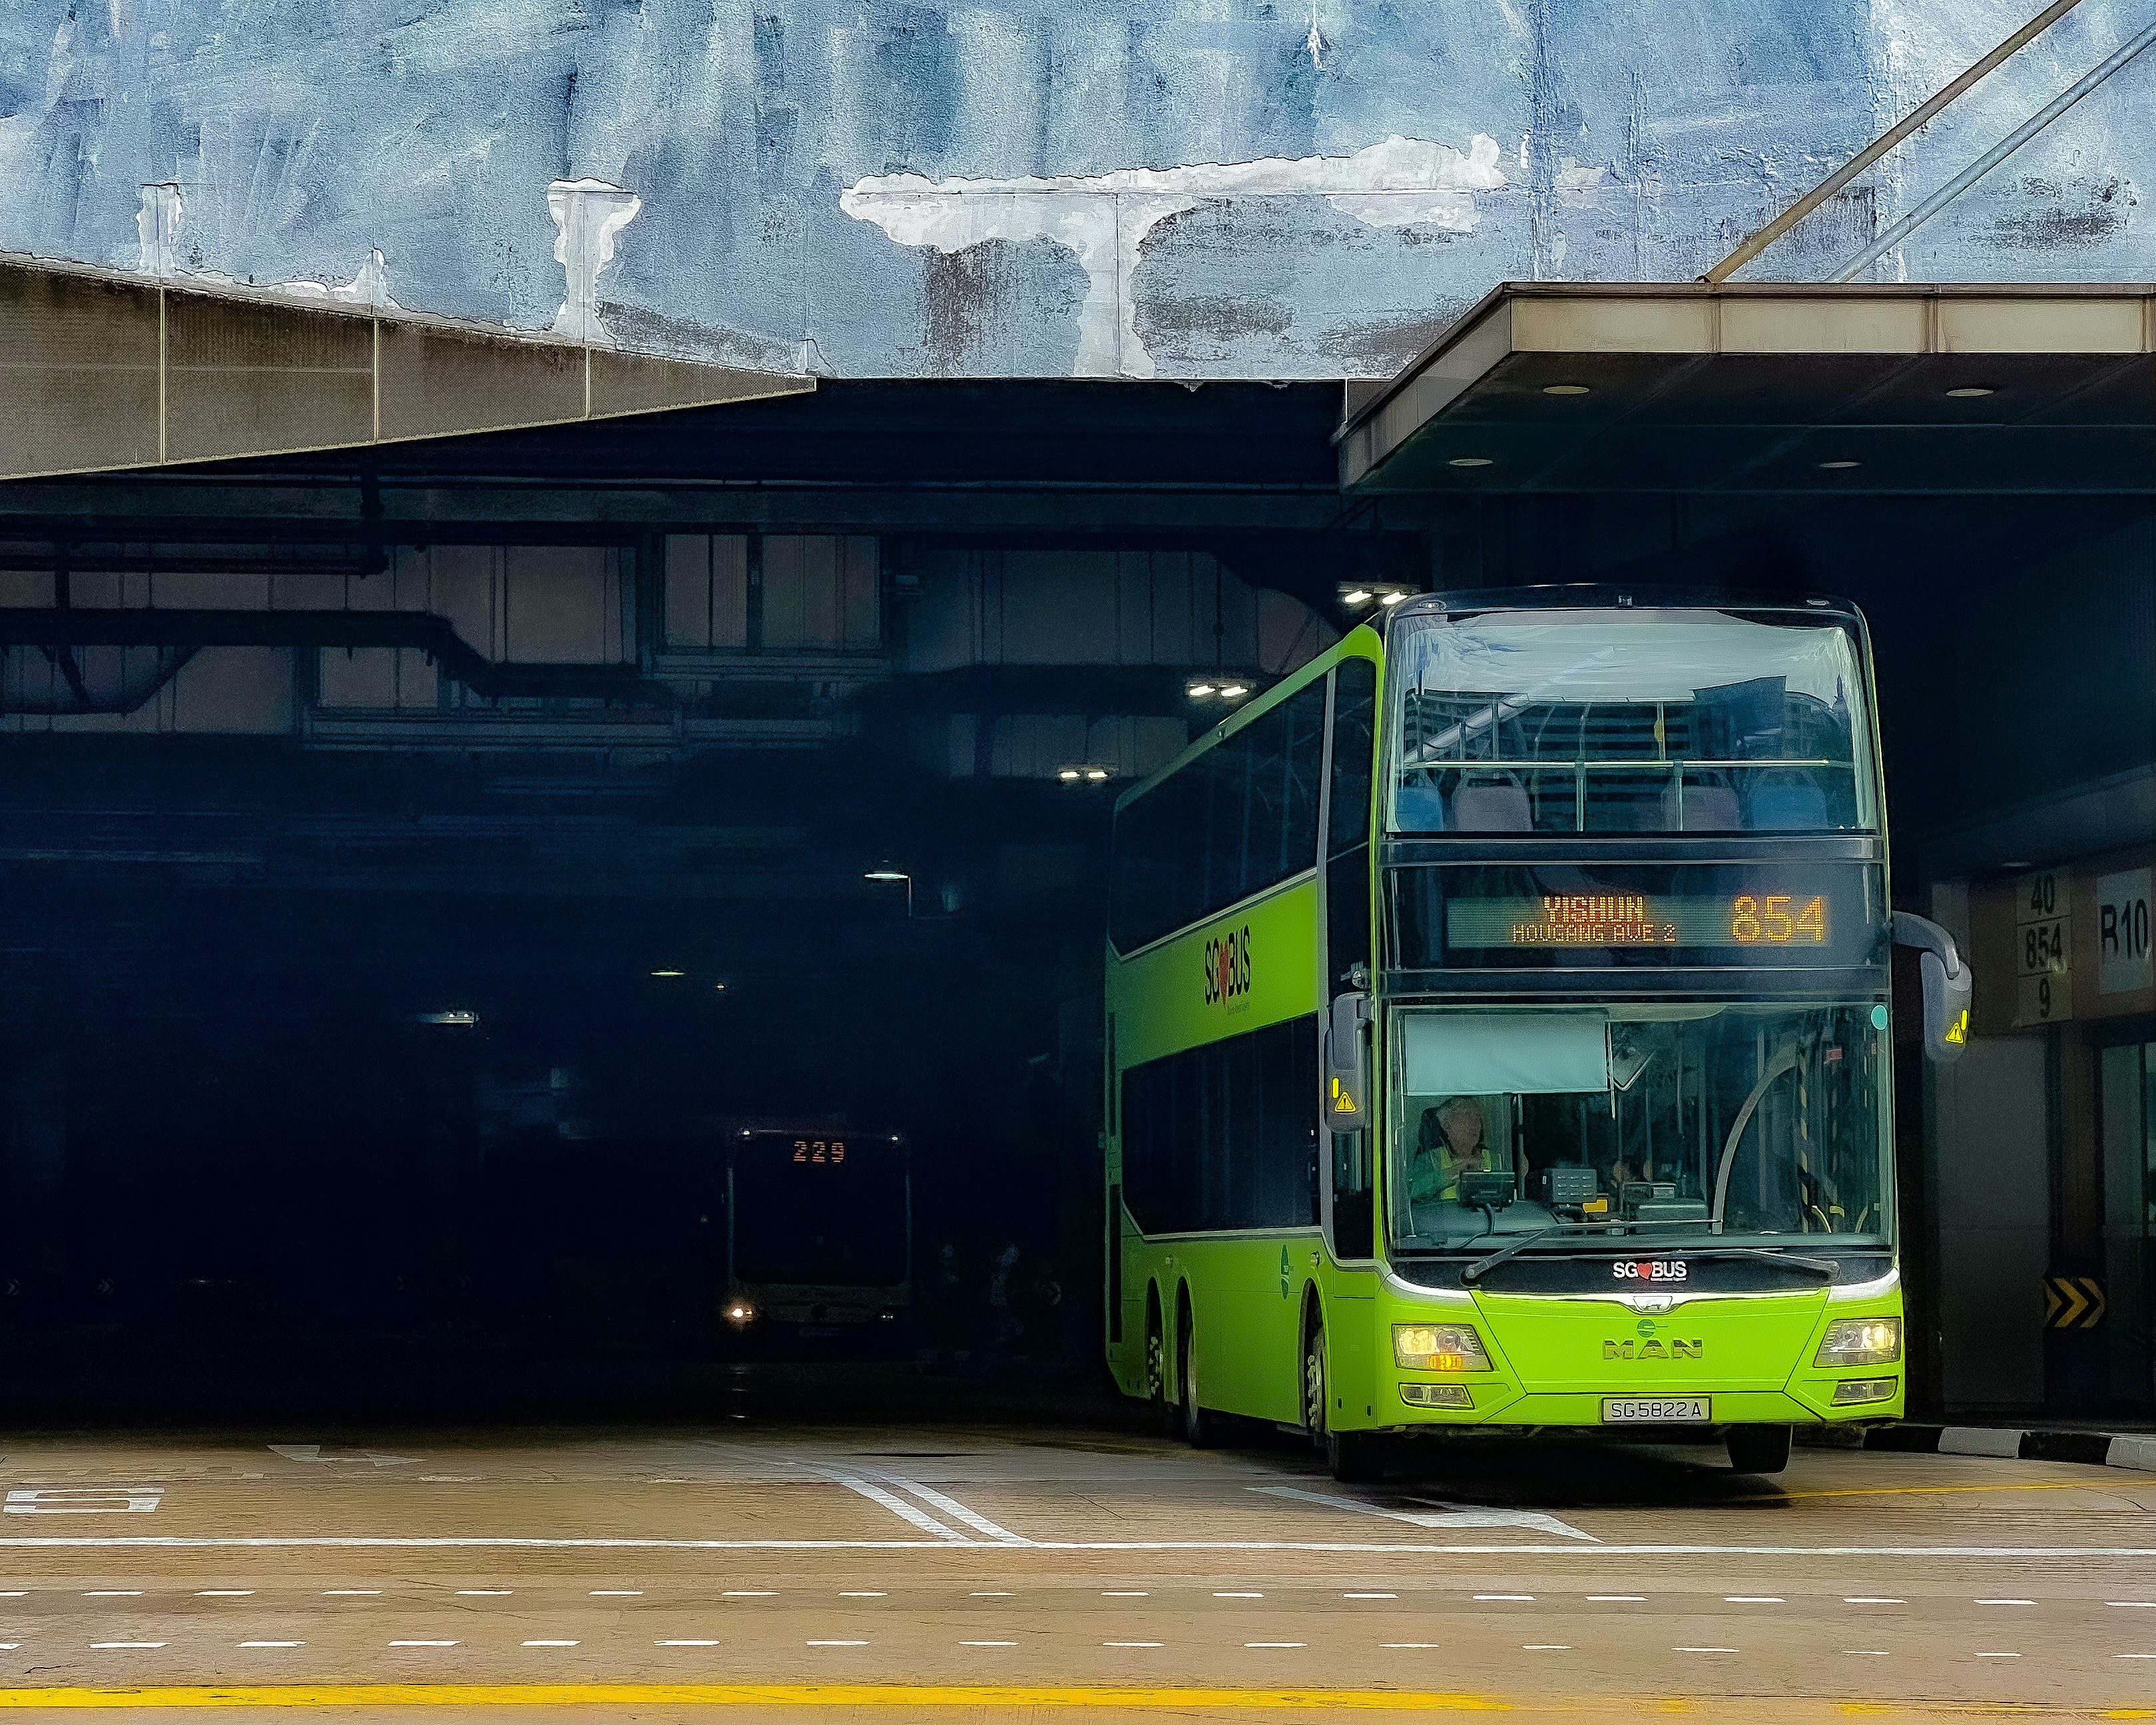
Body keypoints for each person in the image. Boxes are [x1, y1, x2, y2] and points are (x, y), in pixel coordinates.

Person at [1406, 1095, 1519, 1207]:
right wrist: (1452, 1173)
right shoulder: (1430, 1159)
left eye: (1477, 1118)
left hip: (1485, 1221)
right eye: (1467, 1116)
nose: (1476, 1123)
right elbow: (1411, 1193)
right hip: (1445, 1223)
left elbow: (1509, 1199)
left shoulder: (1495, 1159)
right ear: (1447, 1125)